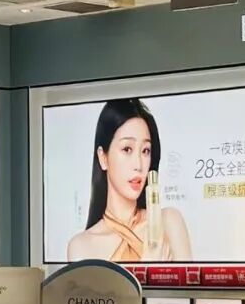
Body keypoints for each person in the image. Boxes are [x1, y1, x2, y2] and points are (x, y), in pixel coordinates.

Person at [67, 98, 192, 262]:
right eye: (127, 149)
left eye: (145, 151)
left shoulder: (169, 222)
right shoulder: (81, 246)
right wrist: (148, 269)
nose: (139, 165)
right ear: (103, 157)